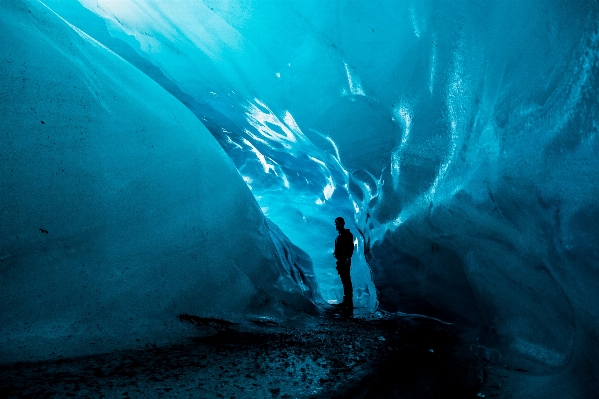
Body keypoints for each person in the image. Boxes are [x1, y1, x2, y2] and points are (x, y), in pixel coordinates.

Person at [334, 217, 354, 308]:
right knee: (344, 280)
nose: (337, 225)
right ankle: (346, 300)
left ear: (343, 223)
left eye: (339, 223)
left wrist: (347, 258)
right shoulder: (340, 236)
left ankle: (348, 301)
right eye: (336, 224)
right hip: (341, 261)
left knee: (346, 280)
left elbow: (350, 247)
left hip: (344, 260)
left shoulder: (347, 234)